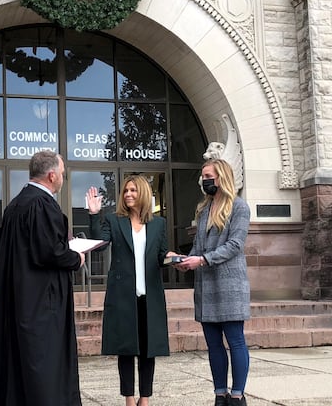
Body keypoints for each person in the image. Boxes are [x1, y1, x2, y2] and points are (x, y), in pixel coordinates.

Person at [0, 150, 85, 406]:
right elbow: (49, 252)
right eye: (62, 173)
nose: (62, 178)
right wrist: (76, 257)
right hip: (41, 304)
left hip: (19, 300)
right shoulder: (42, 204)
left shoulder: (15, 205)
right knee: (43, 365)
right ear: (51, 175)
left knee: (19, 364)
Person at [86, 175, 170, 406]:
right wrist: (94, 214)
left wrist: (173, 258)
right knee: (125, 349)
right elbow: (98, 244)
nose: (128, 194)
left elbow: (162, 255)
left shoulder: (159, 224)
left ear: (142, 193)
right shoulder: (115, 221)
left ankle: (145, 399)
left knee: (147, 350)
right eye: (126, 191)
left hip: (149, 296)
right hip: (123, 296)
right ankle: (129, 399)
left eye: (133, 190)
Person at [174, 158, 252, 406]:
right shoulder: (204, 210)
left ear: (222, 178)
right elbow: (198, 247)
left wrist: (203, 260)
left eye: (209, 176)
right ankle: (220, 394)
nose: (204, 180)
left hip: (230, 285)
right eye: (203, 176)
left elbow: (235, 245)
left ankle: (238, 395)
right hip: (206, 286)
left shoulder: (239, 207)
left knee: (235, 339)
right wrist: (184, 260)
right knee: (213, 344)